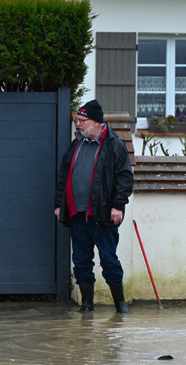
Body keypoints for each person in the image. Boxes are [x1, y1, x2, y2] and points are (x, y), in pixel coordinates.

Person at [54, 99, 134, 314]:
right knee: (80, 261)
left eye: (82, 120)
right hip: (77, 214)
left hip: (103, 216)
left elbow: (125, 178)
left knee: (109, 260)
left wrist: (118, 206)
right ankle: (87, 306)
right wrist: (59, 204)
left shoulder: (114, 144)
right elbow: (64, 175)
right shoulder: (77, 143)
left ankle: (120, 307)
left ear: (97, 122)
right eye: (77, 120)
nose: (78, 124)